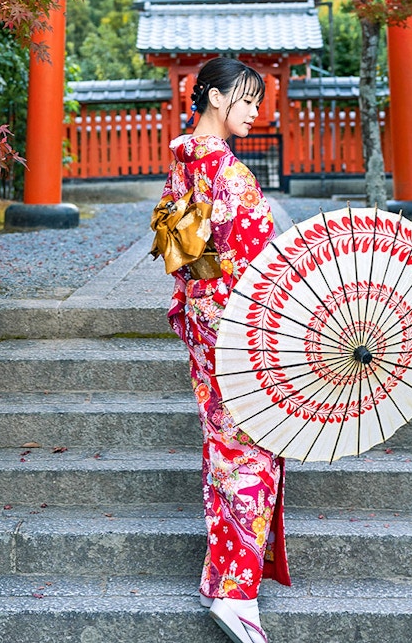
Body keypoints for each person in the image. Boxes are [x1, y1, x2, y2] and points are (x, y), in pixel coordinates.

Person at [159, 57, 289, 643]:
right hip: (238, 324)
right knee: (253, 448)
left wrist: (199, 299)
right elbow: (263, 262)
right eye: (247, 99)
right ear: (214, 97)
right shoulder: (230, 174)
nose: (256, 111)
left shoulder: (184, 160)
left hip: (202, 315)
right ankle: (237, 593)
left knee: (224, 443)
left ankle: (220, 577)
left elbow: (177, 249)